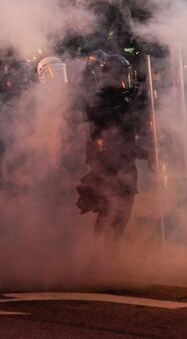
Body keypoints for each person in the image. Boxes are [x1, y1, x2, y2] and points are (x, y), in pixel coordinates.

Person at [75, 50, 150, 239]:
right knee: (113, 212)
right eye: (122, 74)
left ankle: (104, 255)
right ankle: (102, 258)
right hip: (111, 166)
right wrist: (144, 152)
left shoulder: (118, 99)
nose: (126, 79)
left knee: (117, 213)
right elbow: (115, 138)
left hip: (117, 165)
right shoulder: (106, 102)